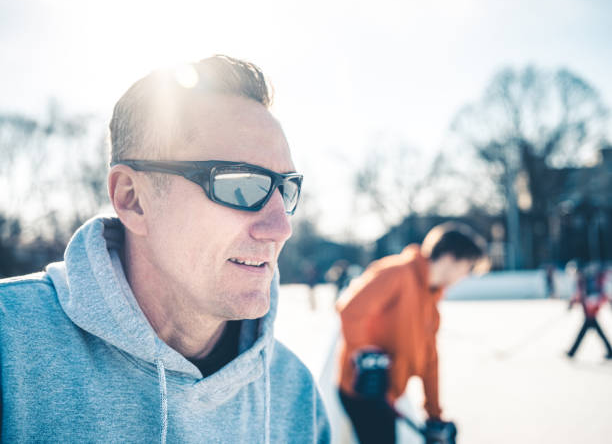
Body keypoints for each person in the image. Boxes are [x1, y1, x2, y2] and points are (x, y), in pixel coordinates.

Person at [0, 56, 330, 442]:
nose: (281, 227)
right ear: (133, 199)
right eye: (241, 185)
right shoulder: (12, 351)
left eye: (285, 189)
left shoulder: (293, 394)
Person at [335, 223, 486, 444]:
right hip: (361, 391)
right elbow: (351, 309)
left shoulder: (431, 299)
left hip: (386, 396)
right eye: (468, 266)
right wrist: (366, 358)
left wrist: (434, 415)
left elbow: (430, 361)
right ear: (449, 257)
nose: (465, 275)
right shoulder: (399, 272)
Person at [566, 262, 612, 359]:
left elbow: (583, 295)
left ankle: (572, 352)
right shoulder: (585, 279)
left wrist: (572, 303)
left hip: (590, 309)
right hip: (590, 309)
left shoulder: (584, 280)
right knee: (592, 331)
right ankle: (572, 352)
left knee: (586, 331)